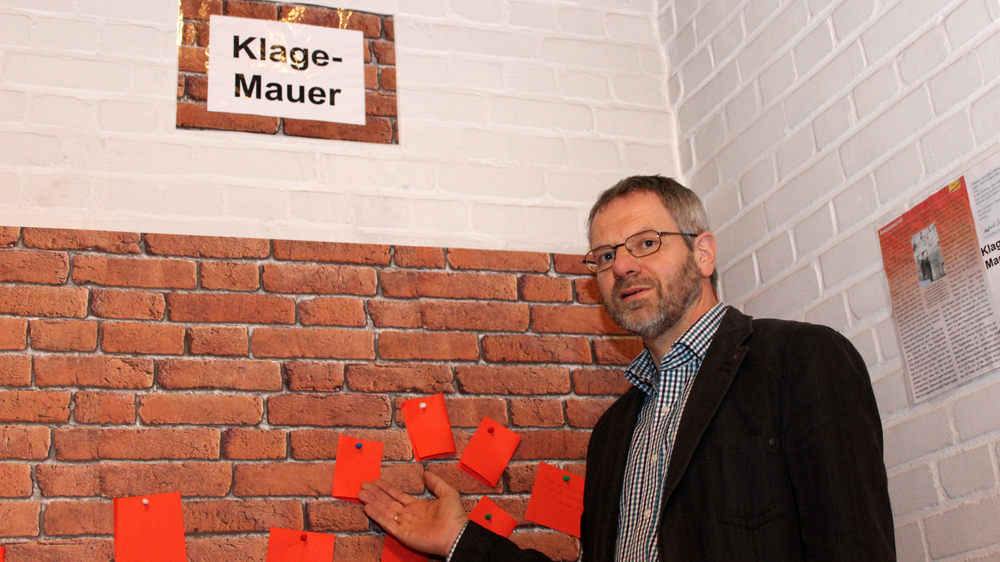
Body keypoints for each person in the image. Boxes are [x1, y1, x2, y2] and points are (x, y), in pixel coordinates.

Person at [359, 176, 895, 561]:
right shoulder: (614, 432)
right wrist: (460, 542)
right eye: (604, 256)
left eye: (645, 243)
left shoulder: (800, 361)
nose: (622, 266)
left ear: (703, 253)